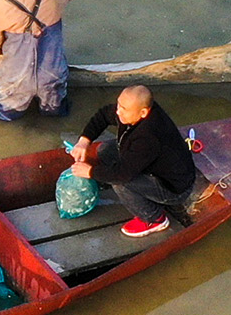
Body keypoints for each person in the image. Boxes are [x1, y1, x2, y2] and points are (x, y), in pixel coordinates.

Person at [68, 83, 205, 238]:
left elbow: (122, 175)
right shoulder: (133, 112)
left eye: (123, 109)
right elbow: (103, 115)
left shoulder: (148, 137)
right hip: (151, 165)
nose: (118, 111)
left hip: (173, 188)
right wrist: (84, 141)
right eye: (119, 105)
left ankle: (155, 219)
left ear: (143, 112)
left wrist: (91, 172)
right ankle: (143, 194)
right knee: (105, 150)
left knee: (120, 184)